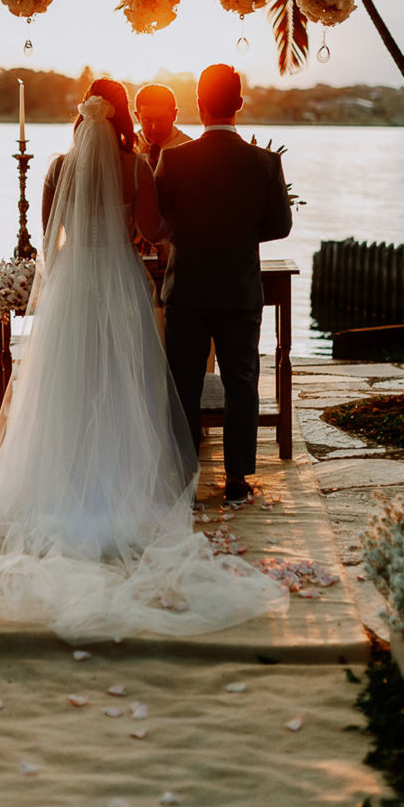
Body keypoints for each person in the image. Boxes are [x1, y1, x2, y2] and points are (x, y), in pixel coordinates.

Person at [0, 77, 286, 642]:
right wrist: (170, 234)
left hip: (72, 286)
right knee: (127, 382)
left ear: (83, 114)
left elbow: (47, 236)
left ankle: (61, 485)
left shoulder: (59, 167)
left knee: (67, 383)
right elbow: (153, 229)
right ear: (123, 117)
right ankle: (180, 482)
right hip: (122, 280)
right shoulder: (137, 166)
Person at [156, 65, 293, 504]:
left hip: (188, 288)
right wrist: (239, 234)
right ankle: (236, 479)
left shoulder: (174, 160)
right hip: (238, 289)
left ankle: (181, 473)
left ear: (199, 104)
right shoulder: (264, 162)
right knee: (241, 380)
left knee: (182, 382)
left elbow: (160, 222)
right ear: (239, 103)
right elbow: (280, 226)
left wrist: (187, 234)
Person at [134, 83, 192, 170]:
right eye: (147, 120)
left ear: (174, 115)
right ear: (137, 117)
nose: (155, 127)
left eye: (161, 120)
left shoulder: (190, 151)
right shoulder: (129, 147)